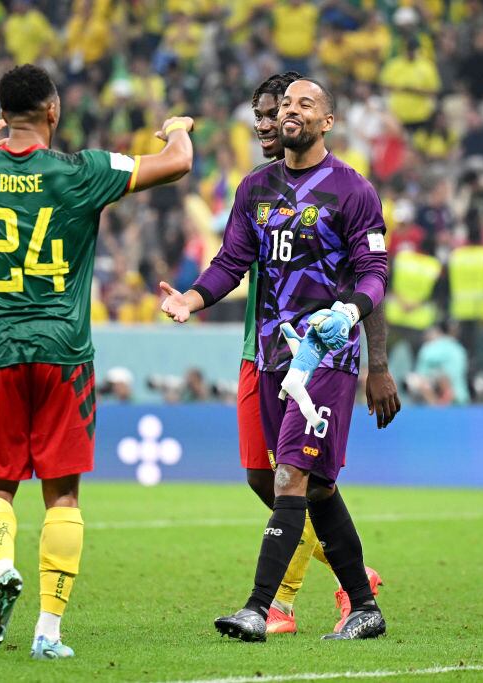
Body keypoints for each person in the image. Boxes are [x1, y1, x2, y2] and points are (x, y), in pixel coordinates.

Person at [0, 64, 194, 660]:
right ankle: (48, 632)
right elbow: (178, 163)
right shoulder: (82, 171)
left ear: (3, 115)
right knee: (62, 497)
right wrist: (178, 126)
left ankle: (0, 572)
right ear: (53, 112)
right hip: (65, 354)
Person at [160, 78, 389, 641]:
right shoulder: (255, 187)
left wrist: (353, 315)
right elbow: (231, 260)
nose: (290, 111)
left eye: (304, 105)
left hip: (326, 358)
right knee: (313, 488)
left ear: (327, 122)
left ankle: (259, 609)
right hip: (270, 356)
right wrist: (192, 297)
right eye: (286, 104)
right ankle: (364, 604)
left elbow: (375, 273)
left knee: (291, 476)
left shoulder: (352, 190)